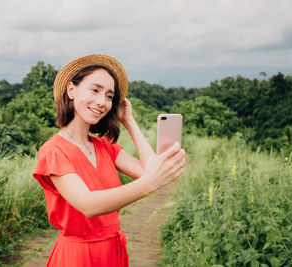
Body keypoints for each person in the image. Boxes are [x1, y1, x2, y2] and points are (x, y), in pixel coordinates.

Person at [33, 54, 185, 267]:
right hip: (77, 257)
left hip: (112, 252)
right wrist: (147, 185)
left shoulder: (104, 146)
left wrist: (129, 121)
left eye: (109, 96)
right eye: (95, 90)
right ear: (71, 90)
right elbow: (87, 204)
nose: (101, 102)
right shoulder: (54, 151)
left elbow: (149, 169)